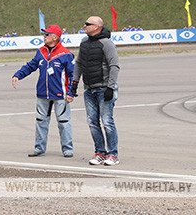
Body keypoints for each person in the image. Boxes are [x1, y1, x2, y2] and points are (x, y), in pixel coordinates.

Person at [12, 24, 75, 158]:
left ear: (55, 37)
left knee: (64, 122)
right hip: (42, 94)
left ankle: (67, 149)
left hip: (60, 95)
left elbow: (72, 76)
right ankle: (39, 148)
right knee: (41, 121)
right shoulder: (40, 51)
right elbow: (31, 66)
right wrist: (18, 75)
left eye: (47, 34)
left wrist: (70, 93)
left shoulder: (66, 54)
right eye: (44, 34)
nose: (44, 37)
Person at [66, 16, 120, 166]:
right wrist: (74, 83)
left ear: (96, 26)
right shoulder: (84, 43)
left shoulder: (107, 43)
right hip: (89, 88)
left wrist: (111, 86)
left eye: (87, 24)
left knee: (107, 121)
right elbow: (79, 64)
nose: (84, 26)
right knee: (92, 122)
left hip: (104, 88)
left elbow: (114, 66)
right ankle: (100, 152)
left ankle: (113, 154)